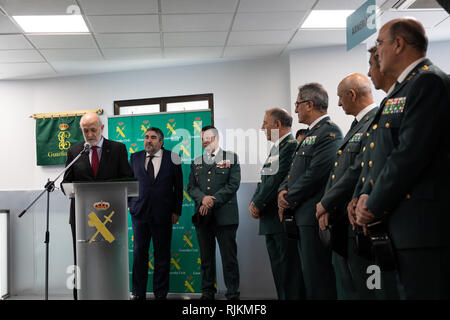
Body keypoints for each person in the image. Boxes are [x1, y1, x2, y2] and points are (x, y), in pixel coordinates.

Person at [354, 18, 450, 299]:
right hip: (399, 225)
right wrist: (365, 194)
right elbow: (381, 156)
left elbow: (408, 156)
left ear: (398, 44)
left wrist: (372, 202)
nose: (377, 51)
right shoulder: (399, 91)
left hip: (423, 230)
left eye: (380, 44)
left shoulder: (428, 81)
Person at [315, 73, 378, 299]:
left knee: (367, 289)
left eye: (340, 98)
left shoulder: (374, 121)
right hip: (342, 219)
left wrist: (325, 203)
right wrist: (327, 206)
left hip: (360, 219)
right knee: (349, 286)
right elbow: (337, 173)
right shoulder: (357, 125)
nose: (339, 103)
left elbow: (357, 169)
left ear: (352, 94)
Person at [278, 83, 343, 299]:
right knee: (309, 276)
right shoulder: (310, 133)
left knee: (318, 277)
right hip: (301, 215)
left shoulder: (329, 131)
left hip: (313, 216)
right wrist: (282, 191)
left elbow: (318, 173)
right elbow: (293, 171)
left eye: (297, 104)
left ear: (309, 104)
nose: (295, 110)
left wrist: (289, 198)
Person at [61, 112, 133, 300]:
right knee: (82, 259)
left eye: (93, 129)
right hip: (81, 216)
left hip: (112, 216)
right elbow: (65, 183)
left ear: (102, 128)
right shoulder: (75, 152)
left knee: (111, 259)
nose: (90, 134)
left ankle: (112, 294)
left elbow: (128, 178)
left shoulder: (117, 149)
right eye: (85, 130)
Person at [249, 108, 305, 300]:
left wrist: (257, 203)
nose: (262, 127)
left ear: (278, 124)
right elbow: (264, 179)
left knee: (288, 273)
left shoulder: (290, 145)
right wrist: (254, 201)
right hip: (270, 219)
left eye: (265, 123)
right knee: (279, 273)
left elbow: (276, 179)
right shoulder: (277, 147)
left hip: (281, 219)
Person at [128, 127, 183, 300]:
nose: (148, 140)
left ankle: (160, 294)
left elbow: (178, 187)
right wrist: (130, 205)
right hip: (139, 213)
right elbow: (128, 183)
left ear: (161, 141)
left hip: (163, 214)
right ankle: (138, 293)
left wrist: (176, 211)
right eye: (146, 137)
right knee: (139, 255)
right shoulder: (135, 157)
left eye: (153, 137)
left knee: (162, 257)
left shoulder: (173, 158)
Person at [187, 126, 241, 300]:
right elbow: (191, 187)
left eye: (208, 138)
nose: (204, 142)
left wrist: (211, 200)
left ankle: (233, 294)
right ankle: (207, 293)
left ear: (217, 138)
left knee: (229, 259)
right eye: (202, 138)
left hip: (225, 217)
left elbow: (233, 185)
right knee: (206, 259)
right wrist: (203, 199)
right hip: (203, 217)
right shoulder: (196, 161)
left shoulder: (231, 158)